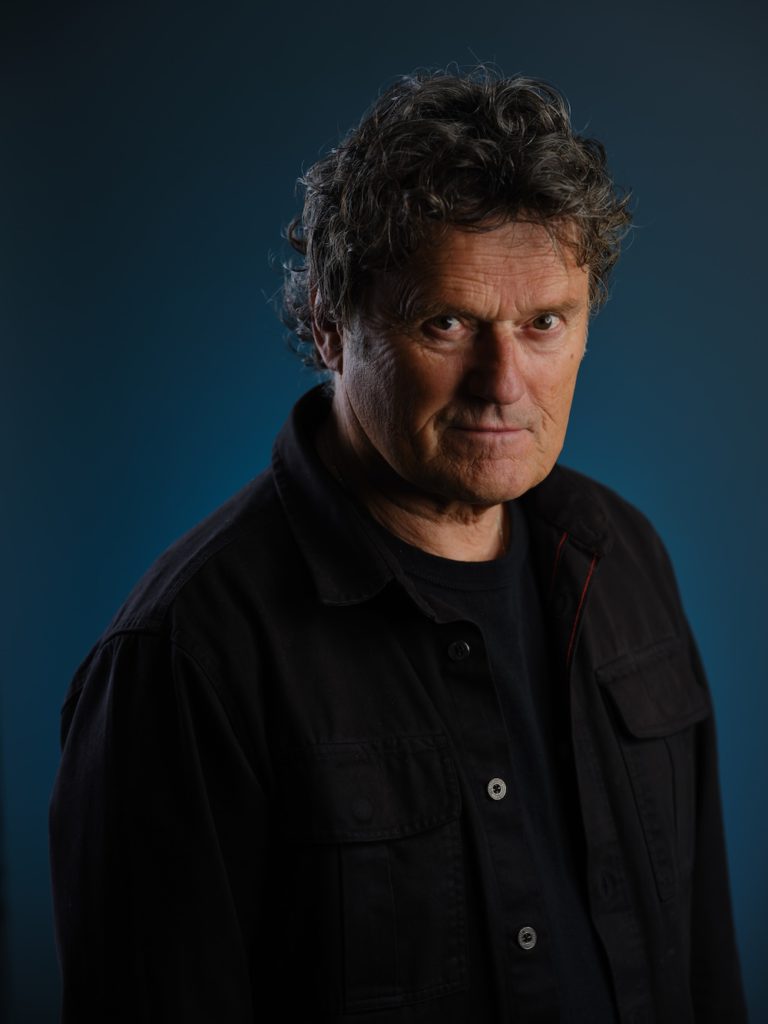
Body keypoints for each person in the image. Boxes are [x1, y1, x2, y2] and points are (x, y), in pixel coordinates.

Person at [49, 69, 747, 1023]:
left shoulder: (623, 558)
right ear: (332, 326)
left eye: (544, 323)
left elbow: (705, 971)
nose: (504, 382)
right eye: (446, 323)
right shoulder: (184, 658)